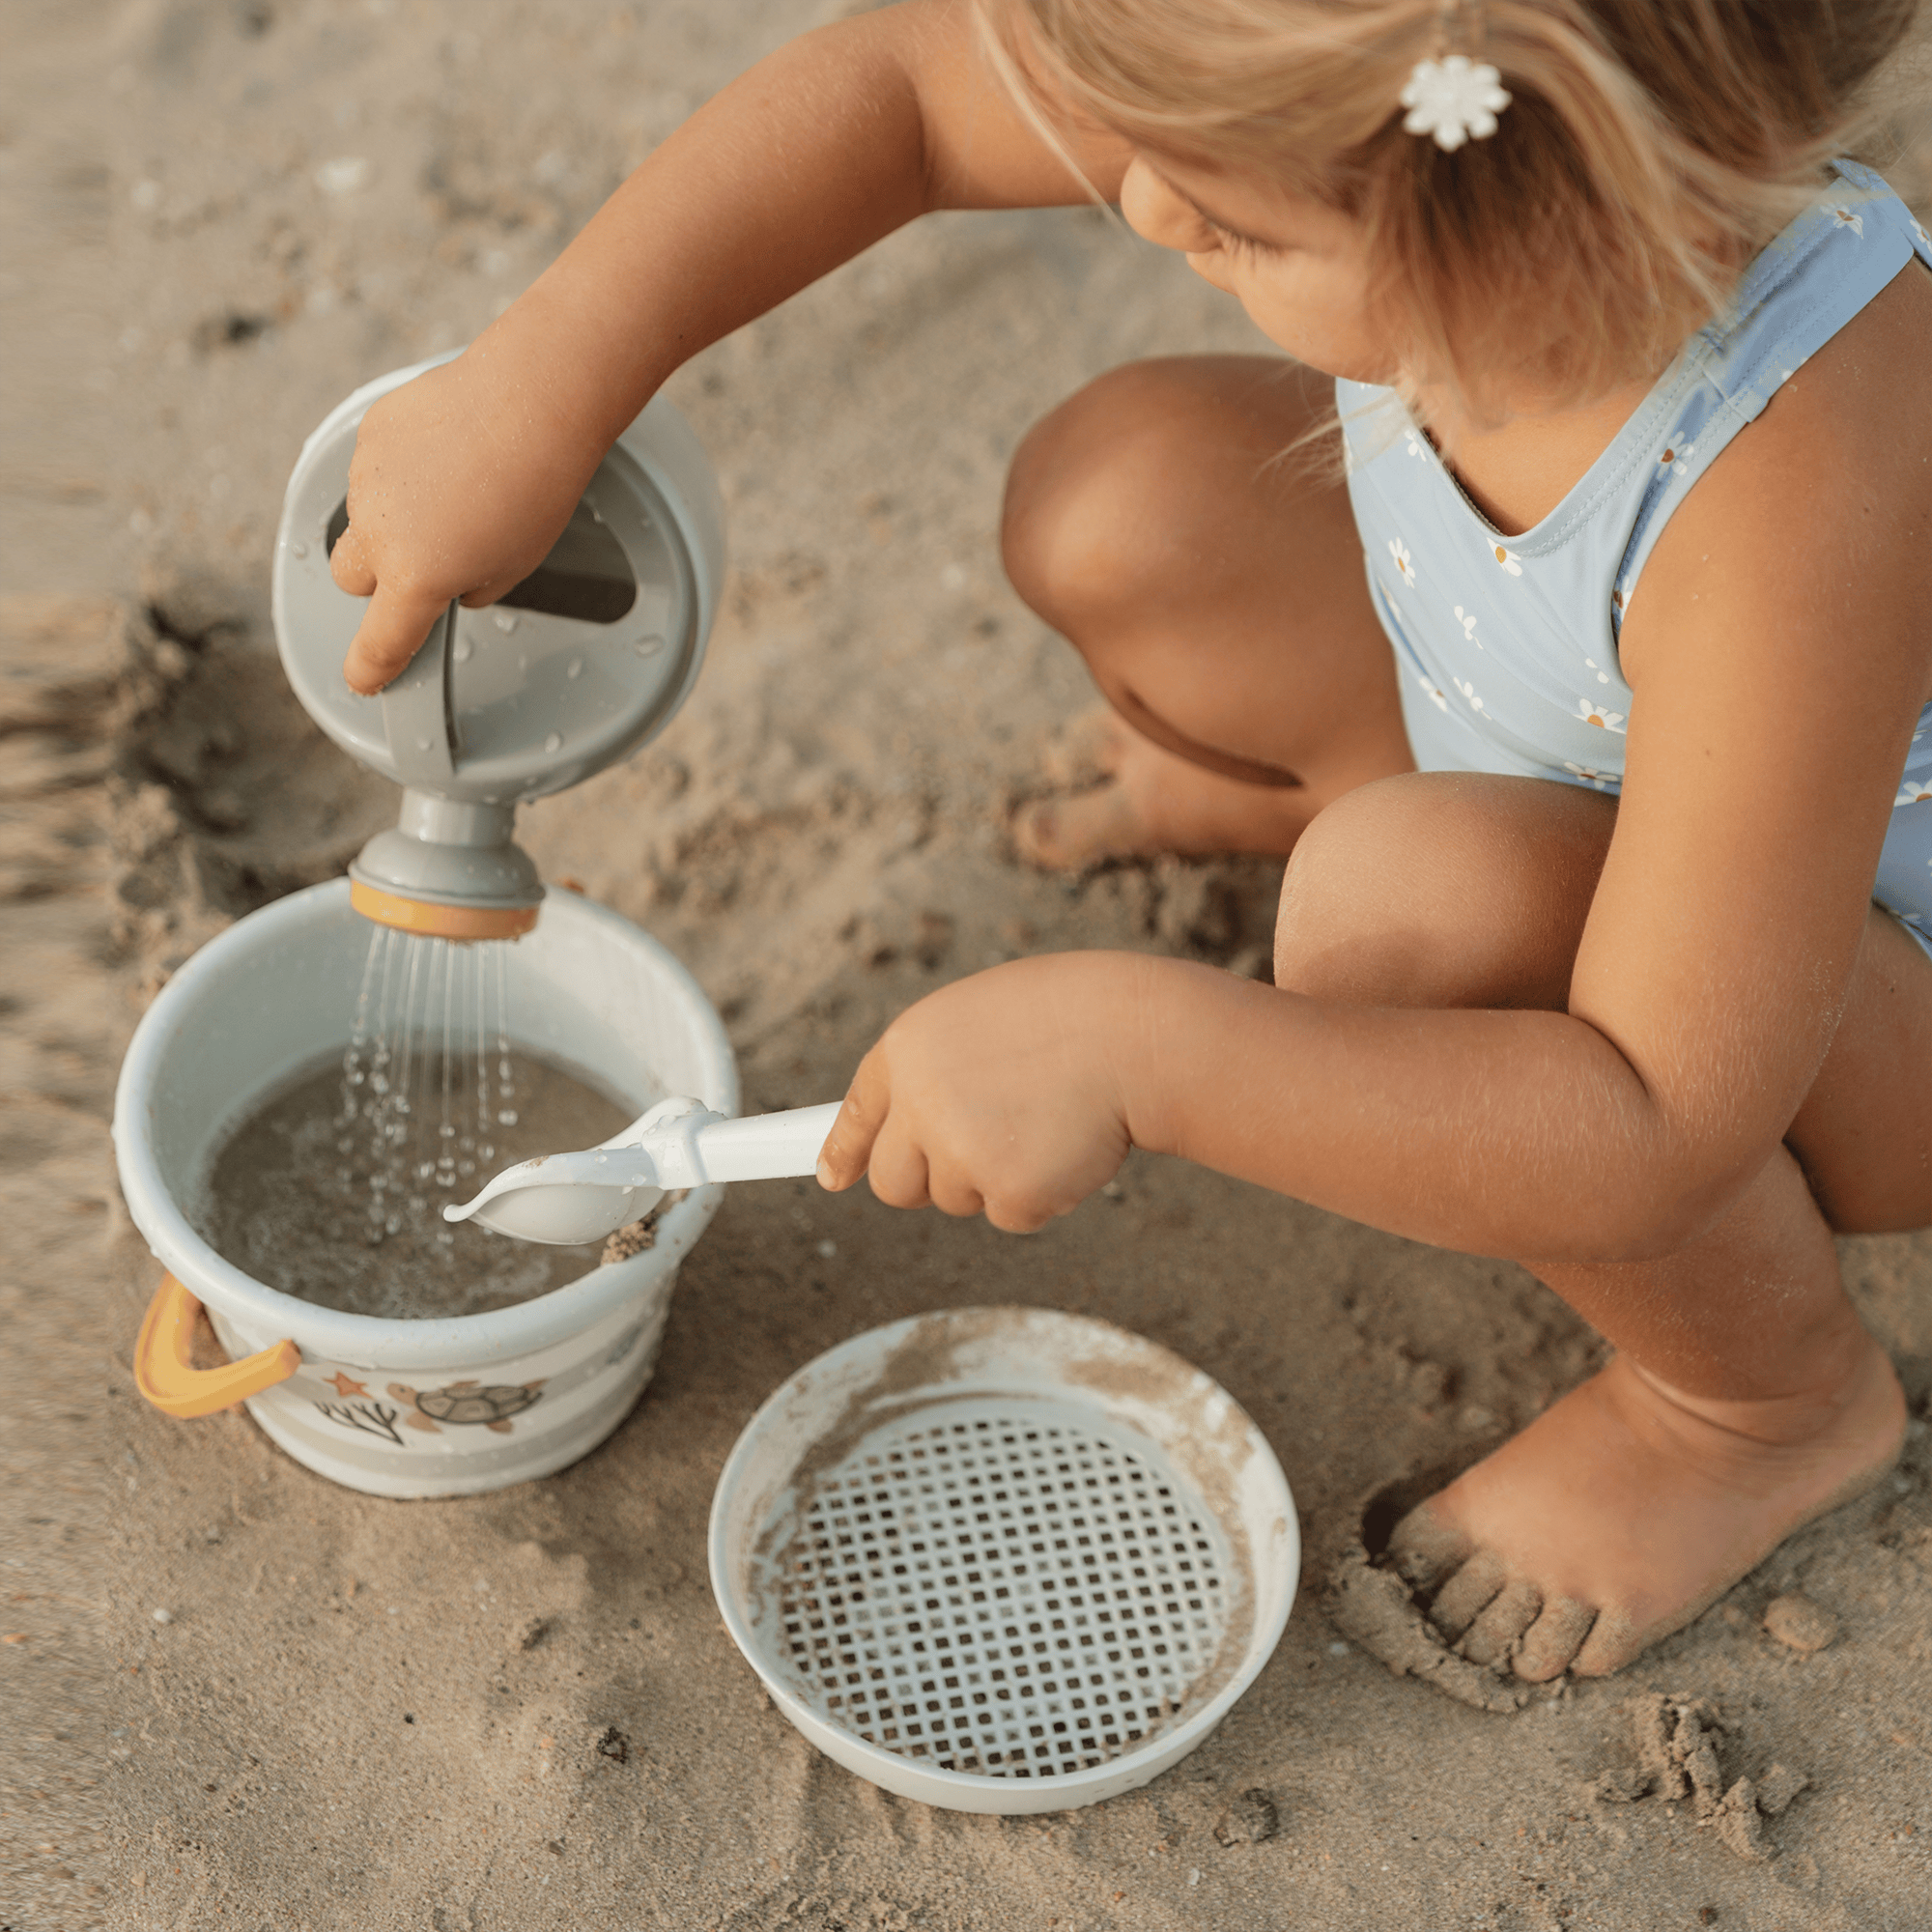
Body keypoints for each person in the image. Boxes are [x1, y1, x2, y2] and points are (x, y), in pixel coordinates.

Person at [327, 0, 1932, 1687]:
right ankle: (1326, 785)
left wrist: (1151, 1052)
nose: (1145, 209)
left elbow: (1661, 1125)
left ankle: (1755, 1406)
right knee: (1122, 498)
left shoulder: (1802, 485)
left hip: (1834, 1006)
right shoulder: (1416, 133)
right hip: (1560, 746)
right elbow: (908, 95)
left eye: (1234, 216)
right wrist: (546, 365)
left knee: (1399, 915)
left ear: (1558, 223)